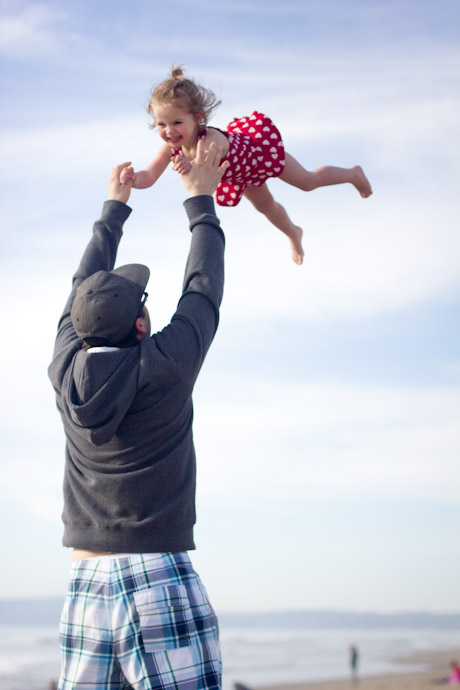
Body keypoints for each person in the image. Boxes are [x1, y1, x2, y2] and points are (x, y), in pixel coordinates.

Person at [48, 141, 229, 690]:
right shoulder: (164, 366)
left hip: (85, 581)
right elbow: (203, 289)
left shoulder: (64, 369)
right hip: (157, 577)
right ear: (142, 324)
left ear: (78, 329)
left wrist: (114, 208)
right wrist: (200, 198)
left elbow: (78, 291)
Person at [120, 65, 373, 266]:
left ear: (197, 118)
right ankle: (294, 233)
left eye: (176, 122)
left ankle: (352, 174)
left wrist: (191, 164)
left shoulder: (210, 139)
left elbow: (202, 168)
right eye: (161, 125)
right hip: (243, 174)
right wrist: (133, 179)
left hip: (260, 154)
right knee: (265, 206)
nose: (169, 131)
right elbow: (150, 175)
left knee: (307, 182)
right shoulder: (170, 147)